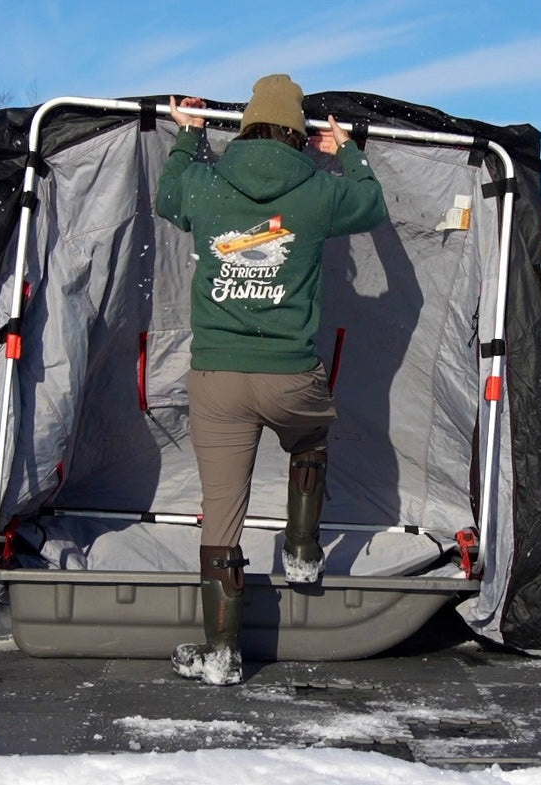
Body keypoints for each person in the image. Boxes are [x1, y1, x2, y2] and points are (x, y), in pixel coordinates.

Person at [155, 74, 388, 685]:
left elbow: (169, 196)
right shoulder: (318, 190)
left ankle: (222, 653)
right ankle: (305, 552)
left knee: (220, 513)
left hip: (217, 379)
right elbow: (372, 204)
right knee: (309, 441)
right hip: (290, 378)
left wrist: (189, 138)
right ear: (300, 135)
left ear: (246, 126)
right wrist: (349, 153)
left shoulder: (205, 184)